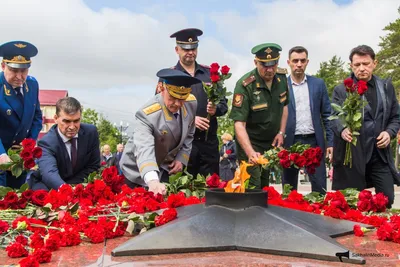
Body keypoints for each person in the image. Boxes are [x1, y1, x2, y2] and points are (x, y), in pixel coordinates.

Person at [331, 45, 400, 207]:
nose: (362, 68)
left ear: (374, 63)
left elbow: (395, 116)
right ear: (351, 66)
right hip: (353, 156)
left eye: (366, 64)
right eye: (357, 65)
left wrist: (389, 133)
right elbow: (334, 118)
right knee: (354, 204)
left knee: (387, 199)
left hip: (379, 154)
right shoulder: (342, 90)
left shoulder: (386, 87)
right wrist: (342, 129)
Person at [157, 28, 228, 179]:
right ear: (177, 49)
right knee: (184, 193)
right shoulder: (168, 76)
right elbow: (161, 111)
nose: (190, 52)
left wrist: (216, 109)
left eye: (193, 48)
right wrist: (190, 120)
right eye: (185, 49)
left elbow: (224, 105)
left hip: (208, 145)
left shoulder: (210, 74)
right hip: (181, 147)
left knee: (211, 191)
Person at [121, 69, 199, 195]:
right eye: (173, 98)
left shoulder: (191, 103)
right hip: (137, 171)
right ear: (161, 89)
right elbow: (144, 149)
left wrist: (181, 158)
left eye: (182, 98)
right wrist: (152, 181)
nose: (178, 104)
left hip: (165, 168)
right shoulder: (147, 115)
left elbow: (189, 133)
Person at [230, 43, 289, 189]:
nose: (269, 69)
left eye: (273, 64)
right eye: (264, 65)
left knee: (265, 185)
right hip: (250, 142)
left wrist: (281, 132)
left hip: (270, 143)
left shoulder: (282, 79)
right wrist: (250, 152)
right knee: (253, 185)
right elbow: (239, 124)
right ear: (255, 62)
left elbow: (285, 106)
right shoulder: (245, 86)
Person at [282, 46, 333, 194]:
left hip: (314, 142)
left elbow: (327, 115)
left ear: (307, 62)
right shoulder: (280, 86)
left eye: (302, 60)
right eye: (295, 60)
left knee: (319, 188)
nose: (299, 64)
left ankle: (319, 216)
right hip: (290, 143)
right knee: (289, 190)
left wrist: (330, 142)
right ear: (289, 62)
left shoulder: (318, 84)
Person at [28, 97, 100, 190]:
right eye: (66, 121)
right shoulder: (46, 142)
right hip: (48, 186)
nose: (72, 127)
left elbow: (93, 166)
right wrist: (66, 190)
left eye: (76, 121)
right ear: (56, 118)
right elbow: (49, 173)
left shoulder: (91, 133)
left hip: (77, 184)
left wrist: (75, 187)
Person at [0, 41, 42, 188]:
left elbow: (37, 117)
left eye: (23, 70)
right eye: (13, 70)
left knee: (17, 200)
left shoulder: (32, 84)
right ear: (3, 66)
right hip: (1, 155)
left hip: (20, 159)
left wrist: (28, 145)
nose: (19, 76)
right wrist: (1, 153)